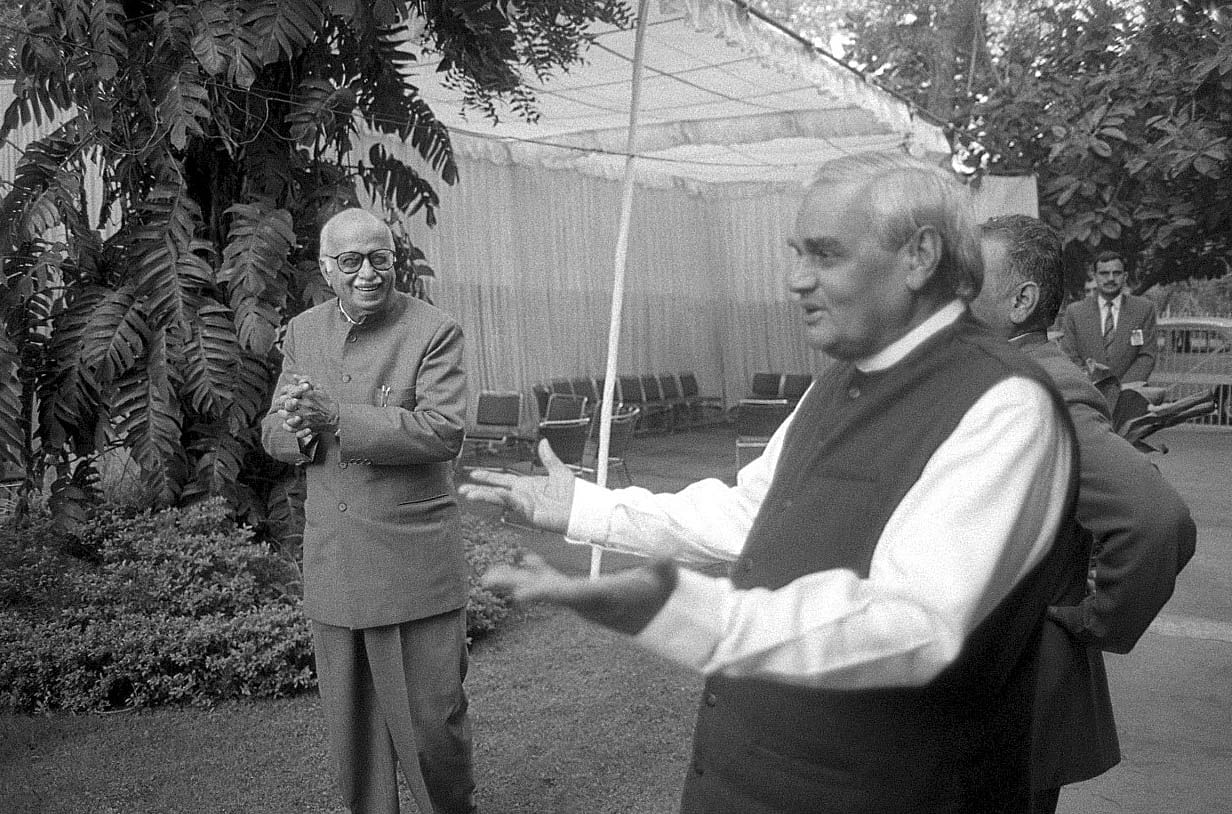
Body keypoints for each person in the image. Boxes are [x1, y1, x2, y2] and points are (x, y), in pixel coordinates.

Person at [463, 153, 1081, 814]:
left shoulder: (1006, 406)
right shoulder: (843, 377)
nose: (794, 280)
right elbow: (751, 511)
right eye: (794, 253)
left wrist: (679, 612)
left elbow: (912, 625)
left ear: (920, 255)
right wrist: (589, 508)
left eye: (825, 255)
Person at [971, 215, 1196, 814]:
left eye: (968, 279)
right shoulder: (988, 375)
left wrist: (1094, 621)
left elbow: (1154, 521)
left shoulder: (1041, 386)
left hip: (1013, 698)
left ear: (1021, 301)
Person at [261, 208, 476, 814]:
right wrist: (296, 429)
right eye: (350, 261)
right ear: (327, 269)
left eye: (379, 258)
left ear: (393, 261)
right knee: (354, 740)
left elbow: (442, 431)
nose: (367, 273)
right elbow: (276, 432)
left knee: (434, 730)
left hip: (414, 565)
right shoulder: (302, 332)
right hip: (336, 563)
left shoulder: (434, 330)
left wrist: (335, 418)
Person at [1060, 249, 1158, 384]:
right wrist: (1094, 385)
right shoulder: (1075, 312)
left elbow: (1146, 356)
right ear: (1095, 276)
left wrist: (1122, 390)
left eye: (1116, 273)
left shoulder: (1144, 309)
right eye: (1104, 273)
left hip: (1129, 395)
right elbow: (1069, 356)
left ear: (1125, 276)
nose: (1111, 278)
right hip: (1089, 394)